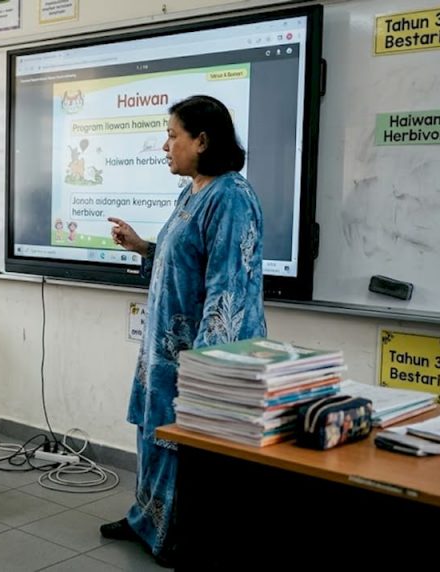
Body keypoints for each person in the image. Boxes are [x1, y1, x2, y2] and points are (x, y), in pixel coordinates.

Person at [101, 95, 266, 565]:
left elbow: (228, 287)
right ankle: (145, 521)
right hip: (164, 351)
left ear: (202, 140)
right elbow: (184, 262)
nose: (164, 145)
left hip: (198, 357)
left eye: (173, 135)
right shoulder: (192, 189)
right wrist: (142, 246)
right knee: (155, 436)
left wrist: (204, 369)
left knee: (184, 446)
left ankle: (176, 535)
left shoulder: (231, 196)